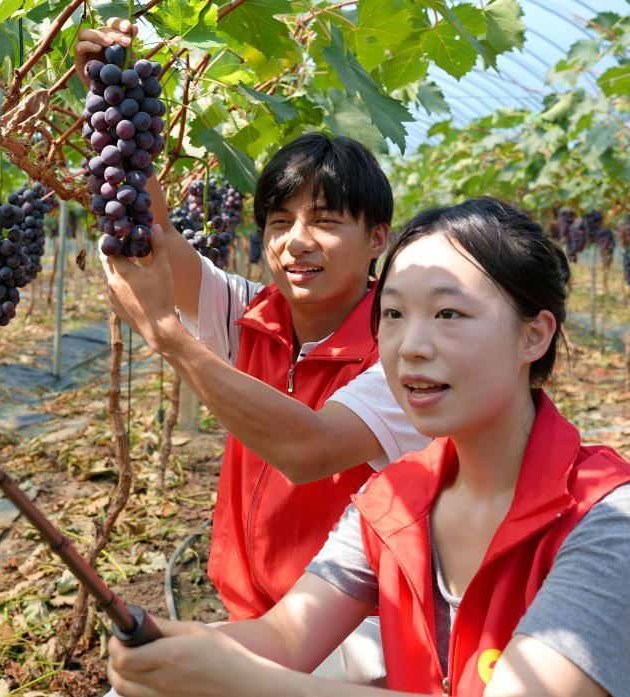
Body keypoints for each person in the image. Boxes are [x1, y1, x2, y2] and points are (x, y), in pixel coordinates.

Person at [104, 199, 630, 696]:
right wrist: (174, 643)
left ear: (534, 335)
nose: (410, 346)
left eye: (449, 315)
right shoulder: (394, 497)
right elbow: (285, 636)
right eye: (395, 315)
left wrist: (243, 684)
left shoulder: (622, 529)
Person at [76, 21, 430, 683]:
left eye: (325, 221)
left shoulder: (407, 351)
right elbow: (153, 237)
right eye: (279, 222)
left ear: (377, 236)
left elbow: (311, 448)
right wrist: (108, 94)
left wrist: (169, 337)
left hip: (357, 639)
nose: (296, 241)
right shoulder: (252, 312)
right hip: (256, 615)